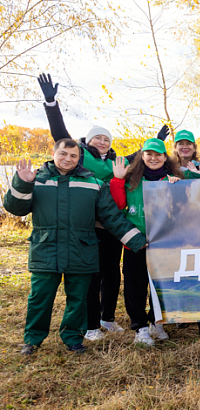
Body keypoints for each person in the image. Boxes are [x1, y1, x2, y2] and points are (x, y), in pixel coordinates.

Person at [36, 73, 169, 342]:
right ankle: (90, 324)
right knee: (91, 275)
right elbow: (60, 135)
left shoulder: (116, 162)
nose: (101, 142)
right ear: (87, 141)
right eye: (97, 138)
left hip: (114, 226)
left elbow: (144, 157)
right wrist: (51, 104)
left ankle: (107, 318)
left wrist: (155, 139)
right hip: (90, 225)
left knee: (111, 274)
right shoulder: (80, 156)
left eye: (106, 139)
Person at [4, 139, 147, 355]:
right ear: (53, 154)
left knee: (78, 299)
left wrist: (137, 241)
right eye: (63, 154)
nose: (68, 159)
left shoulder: (94, 183)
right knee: (40, 298)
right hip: (45, 249)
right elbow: (15, 209)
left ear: (79, 157)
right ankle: (32, 339)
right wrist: (22, 183)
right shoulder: (37, 179)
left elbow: (112, 218)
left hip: (82, 249)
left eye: (73, 156)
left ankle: (73, 337)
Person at [110, 139, 183, 346]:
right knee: (135, 285)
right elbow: (118, 205)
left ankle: (155, 321)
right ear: (142, 156)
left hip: (162, 242)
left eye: (158, 154)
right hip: (136, 243)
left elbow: (180, 208)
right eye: (149, 154)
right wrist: (117, 180)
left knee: (160, 285)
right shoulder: (131, 178)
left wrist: (178, 187)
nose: (153, 158)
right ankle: (140, 327)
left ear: (164, 157)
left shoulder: (172, 178)